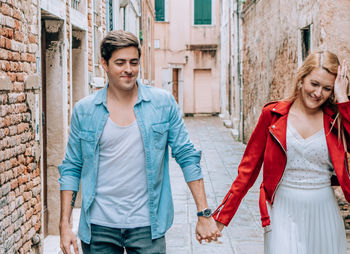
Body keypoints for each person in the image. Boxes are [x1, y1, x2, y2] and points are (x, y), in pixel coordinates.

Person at [58, 30, 221, 254]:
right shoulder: (85, 111)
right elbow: (71, 167)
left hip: (147, 224)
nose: (128, 69)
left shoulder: (162, 104)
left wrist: (204, 214)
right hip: (99, 225)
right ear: (104, 64)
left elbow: (187, 156)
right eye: (120, 63)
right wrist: (65, 225)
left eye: (134, 62)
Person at [212, 50, 350, 253]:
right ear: (302, 78)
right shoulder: (273, 116)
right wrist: (221, 218)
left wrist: (342, 97)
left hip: (323, 210)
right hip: (282, 210)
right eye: (314, 84)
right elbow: (247, 171)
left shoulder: (336, 119)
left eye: (327, 88)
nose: (318, 93)